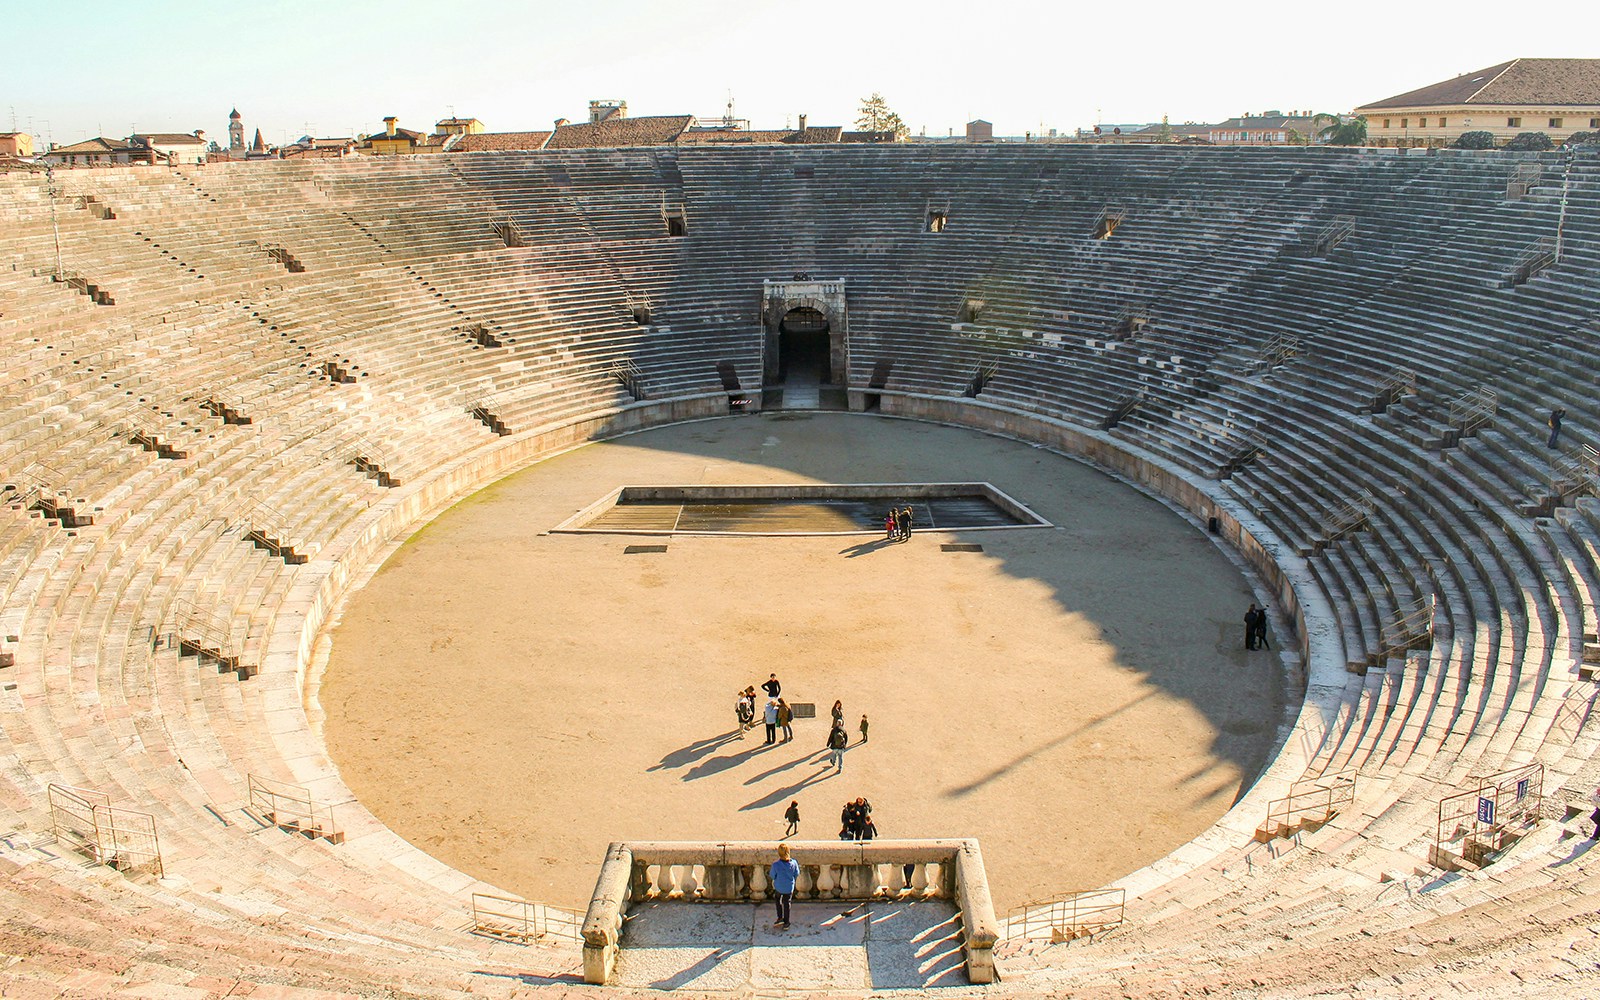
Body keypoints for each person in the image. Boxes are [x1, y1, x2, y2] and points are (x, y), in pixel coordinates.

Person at [770, 843, 799, 928]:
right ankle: (787, 922)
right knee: (787, 903)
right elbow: (796, 874)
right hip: (789, 887)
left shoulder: (775, 864)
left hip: (779, 886)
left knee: (778, 900)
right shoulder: (794, 863)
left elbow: (772, 875)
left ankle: (780, 917)